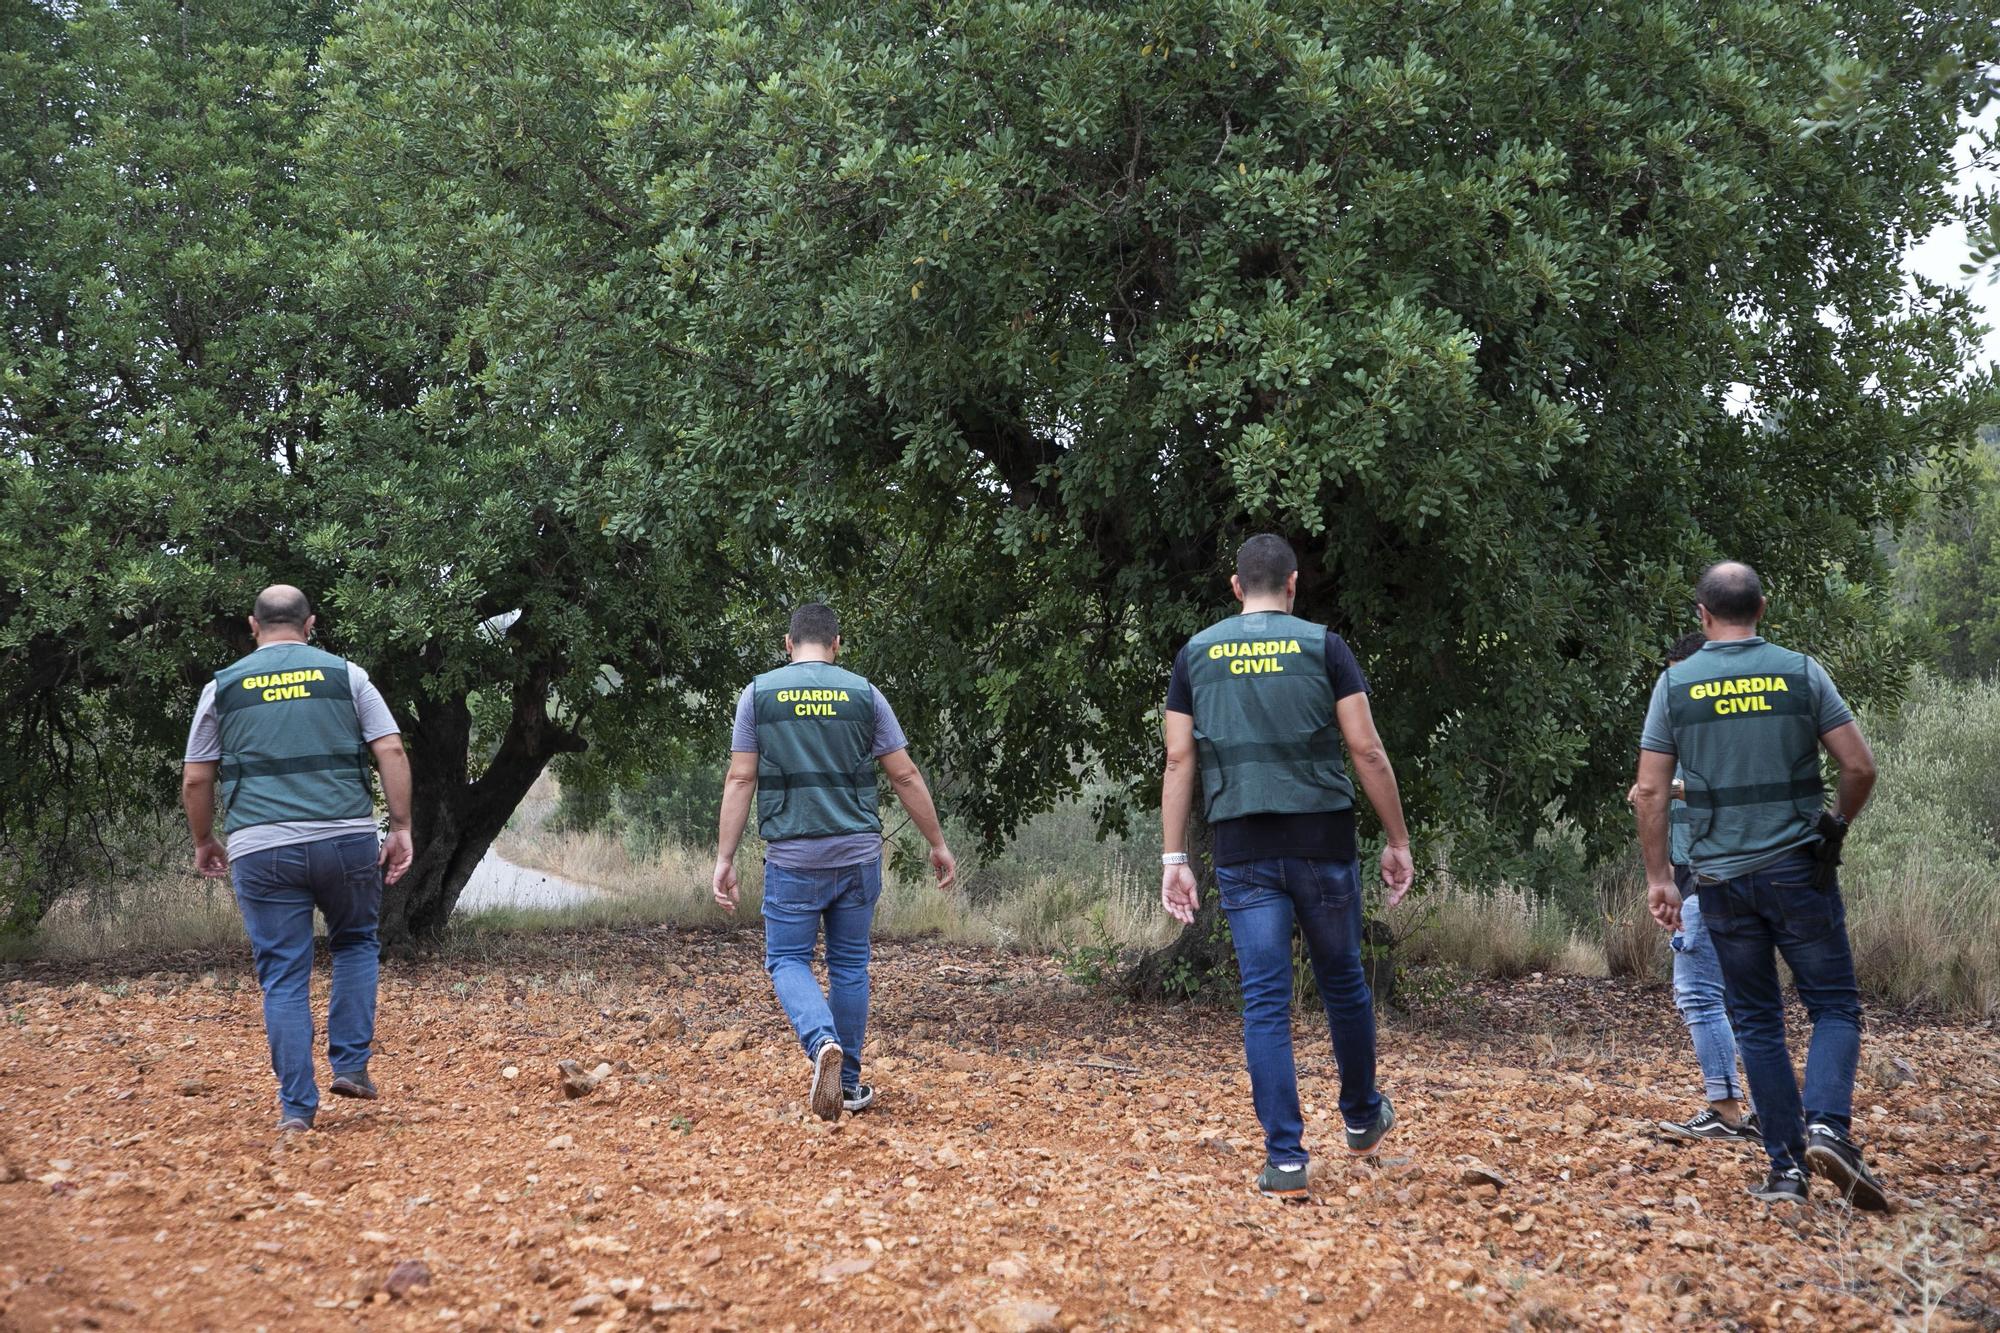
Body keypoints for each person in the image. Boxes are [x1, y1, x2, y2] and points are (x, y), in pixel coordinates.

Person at [1159, 534, 1415, 1202]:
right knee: (1343, 984)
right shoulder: (1323, 646)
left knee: (1266, 1001)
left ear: (1237, 587)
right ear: (1294, 584)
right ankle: (1361, 1117)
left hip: (1241, 850)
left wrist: (1174, 857)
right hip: (1323, 842)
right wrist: (1397, 839)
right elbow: (1366, 749)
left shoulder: (1196, 654)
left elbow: (1179, 760)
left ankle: (1287, 1160)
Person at [1633, 561, 1885, 1209]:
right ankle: (1829, 1124)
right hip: (1800, 869)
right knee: (1832, 1004)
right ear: (1762, 607)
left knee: (1757, 1021)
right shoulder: (1802, 671)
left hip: (1720, 880)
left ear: (1702, 614)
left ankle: (1786, 1172)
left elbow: (1652, 790)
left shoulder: (1675, 684)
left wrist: (1660, 876)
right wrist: (1836, 823)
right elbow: (1858, 765)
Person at [181, 586, 414, 1133]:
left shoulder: (222, 688)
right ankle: (351, 1065)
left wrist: (204, 840)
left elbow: (197, 775)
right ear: (310, 624)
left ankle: (296, 1110)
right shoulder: (347, 676)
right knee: (355, 942)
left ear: (252, 626)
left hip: (261, 848)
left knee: (283, 975)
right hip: (346, 840)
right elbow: (392, 750)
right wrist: (400, 827)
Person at [712, 602, 957, 1121]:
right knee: (849, 965)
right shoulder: (865, 695)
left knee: (786, 961)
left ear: (788, 644)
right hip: (857, 855)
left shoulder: (758, 694)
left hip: (792, 858)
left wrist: (725, 858)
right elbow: (905, 776)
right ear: (836, 645)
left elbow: (740, 779)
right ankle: (846, 1086)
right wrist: (937, 843)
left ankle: (821, 1042)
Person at [1629, 632, 1759, 1146]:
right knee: (1735, 997)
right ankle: (1764, 1109)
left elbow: (1731, 789)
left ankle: (1726, 1112)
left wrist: (1667, 789)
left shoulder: (1714, 725)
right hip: (1701, 873)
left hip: (1713, 875)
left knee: (1700, 994)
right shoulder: (1695, 724)